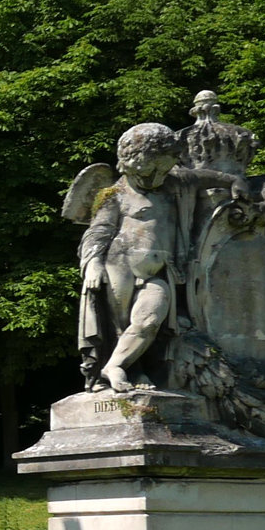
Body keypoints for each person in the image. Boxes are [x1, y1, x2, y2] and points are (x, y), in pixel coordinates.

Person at [76, 122, 186, 391]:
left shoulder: (175, 189)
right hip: (120, 265)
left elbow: (210, 178)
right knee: (118, 326)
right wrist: (92, 264)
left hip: (158, 271)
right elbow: (98, 231)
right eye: (151, 169)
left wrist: (240, 181)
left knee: (149, 322)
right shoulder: (115, 194)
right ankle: (128, 371)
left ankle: (115, 365)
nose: (156, 176)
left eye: (163, 168)